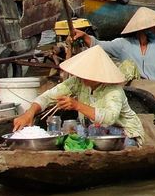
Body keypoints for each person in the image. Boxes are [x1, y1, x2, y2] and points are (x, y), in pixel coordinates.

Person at [12, 45, 145, 146]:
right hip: (95, 131)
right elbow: (48, 97)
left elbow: (109, 118)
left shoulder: (113, 91)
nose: (82, 77)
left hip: (124, 134)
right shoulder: (78, 81)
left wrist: (77, 105)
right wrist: (29, 113)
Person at [71, 7, 155, 94]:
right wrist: (85, 36)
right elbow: (99, 45)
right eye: (153, 26)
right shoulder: (123, 44)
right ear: (142, 29)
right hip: (135, 90)